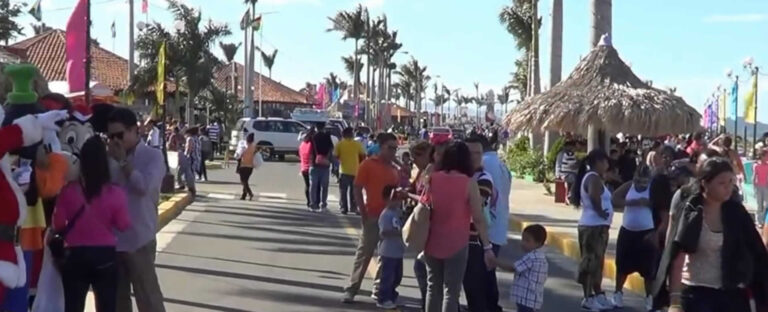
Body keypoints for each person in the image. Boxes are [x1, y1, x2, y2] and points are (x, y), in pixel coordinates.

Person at [659, 157, 768, 312]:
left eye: (731, 182)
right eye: (722, 183)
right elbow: (678, 257)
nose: (728, 188)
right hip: (697, 294)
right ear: (705, 183)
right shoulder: (691, 211)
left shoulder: (737, 213)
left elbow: (756, 252)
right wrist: (675, 301)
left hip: (732, 293)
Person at [54, 136, 132, 312]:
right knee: (107, 306)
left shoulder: (68, 191)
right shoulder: (115, 193)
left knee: (73, 306)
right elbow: (123, 225)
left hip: (75, 256)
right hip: (105, 256)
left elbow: (58, 223)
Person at [105, 108, 166, 312]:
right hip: (113, 241)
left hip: (140, 239)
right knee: (116, 301)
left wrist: (123, 162)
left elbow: (144, 188)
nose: (115, 141)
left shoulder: (153, 157)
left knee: (148, 298)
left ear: (134, 130)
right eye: (111, 136)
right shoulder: (108, 158)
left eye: (119, 135)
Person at [422, 141, 495, 312]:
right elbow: (478, 218)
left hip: (431, 241)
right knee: (451, 292)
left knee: (433, 288)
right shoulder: (468, 183)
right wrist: (487, 247)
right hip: (457, 243)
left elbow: (424, 204)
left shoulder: (433, 179)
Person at [342, 133, 400, 304]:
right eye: (390, 148)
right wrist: (363, 212)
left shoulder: (394, 170)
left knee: (387, 255)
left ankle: (379, 289)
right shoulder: (368, 165)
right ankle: (352, 288)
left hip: (390, 218)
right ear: (380, 147)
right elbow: (357, 188)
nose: (393, 152)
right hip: (373, 215)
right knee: (365, 253)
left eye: (395, 148)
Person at [570, 149, 614, 311]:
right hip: (593, 226)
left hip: (597, 226)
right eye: (605, 162)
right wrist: (601, 212)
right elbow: (594, 197)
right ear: (598, 162)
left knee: (597, 262)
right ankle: (588, 297)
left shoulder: (595, 177)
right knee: (591, 262)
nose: (607, 165)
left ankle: (598, 294)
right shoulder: (593, 178)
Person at [610, 165, 657, 310]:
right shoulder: (629, 186)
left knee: (648, 270)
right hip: (628, 231)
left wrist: (650, 204)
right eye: (638, 180)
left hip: (646, 232)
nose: (641, 184)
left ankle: (649, 298)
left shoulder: (653, 188)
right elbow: (614, 199)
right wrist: (632, 203)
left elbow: (661, 205)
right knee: (622, 265)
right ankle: (618, 293)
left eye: (644, 181)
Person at [462, 135, 499, 312]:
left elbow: (475, 204)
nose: (475, 156)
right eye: (470, 153)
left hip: (474, 241)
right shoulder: (460, 176)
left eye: (478, 153)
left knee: (475, 289)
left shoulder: (485, 177)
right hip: (456, 238)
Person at [481, 133, 512, 311]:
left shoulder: (485, 163)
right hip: (499, 224)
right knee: (488, 271)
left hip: (489, 226)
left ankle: (490, 306)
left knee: (484, 273)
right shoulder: (501, 165)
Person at [495, 224, 548, 312]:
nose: (523, 243)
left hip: (526, 299)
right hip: (533, 300)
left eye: (527, 241)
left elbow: (513, 268)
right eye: (523, 239)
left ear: (538, 243)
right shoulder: (541, 257)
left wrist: (495, 261)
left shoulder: (532, 257)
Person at [376, 185, 406, 309]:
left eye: (398, 199)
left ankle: (392, 296)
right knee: (387, 276)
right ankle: (383, 298)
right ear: (386, 199)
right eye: (394, 199)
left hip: (398, 251)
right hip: (388, 252)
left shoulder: (397, 213)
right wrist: (400, 233)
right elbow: (383, 232)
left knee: (397, 276)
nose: (397, 202)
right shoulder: (386, 214)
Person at [334, 127, 366, 215]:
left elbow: (335, 156)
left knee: (343, 191)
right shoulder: (357, 144)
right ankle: (354, 208)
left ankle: (344, 208)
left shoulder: (340, 144)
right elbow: (363, 155)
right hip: (355, 171)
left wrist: (340, 160)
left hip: (343, 170)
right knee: (354, 191)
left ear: (343, 135)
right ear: (351, 134)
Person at [310, 123, 333, 212]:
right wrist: (328, 158)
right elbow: (331, 149)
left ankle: (313, 204)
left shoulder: (313, 137)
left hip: (314, 163)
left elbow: (308, 148)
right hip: (325, 164)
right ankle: (323, 204)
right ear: (323, 127)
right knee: (325, 186)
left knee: (313, 185)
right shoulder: (327, 137)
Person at [235, 133, 258, 201]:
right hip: (250, 166)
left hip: (243, 165)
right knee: (245, 181)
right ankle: (244, 195)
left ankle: (250, 193)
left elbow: (238, 155)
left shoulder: (244, 146)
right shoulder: (254, 147)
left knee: (243, 181)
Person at [299, 130, 315, 207]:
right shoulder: (311, 145)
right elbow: (313, 155)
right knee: (313, 186)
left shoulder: (302, 145)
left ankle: (308, 201)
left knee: (307, 185)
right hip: (310, 167)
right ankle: (312, 201)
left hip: (303, 168)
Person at [755, 150, 768, 227]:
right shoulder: (757, 166)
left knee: (766, 203)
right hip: (759, 187)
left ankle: (763, 219)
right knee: (759, 204)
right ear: (762, 157)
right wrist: (754, 187)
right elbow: (754, 176)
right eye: (766, 156)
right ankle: (759, 221)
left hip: (766, 186)